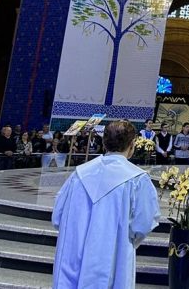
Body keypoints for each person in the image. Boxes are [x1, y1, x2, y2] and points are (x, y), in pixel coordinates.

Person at [51, 120, 159, 288]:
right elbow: (142, 224)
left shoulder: (80, 174)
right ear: (132, 145)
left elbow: (58, 216)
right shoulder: (137, 180)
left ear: (103, 142)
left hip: (73, 261)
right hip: (115, 257)